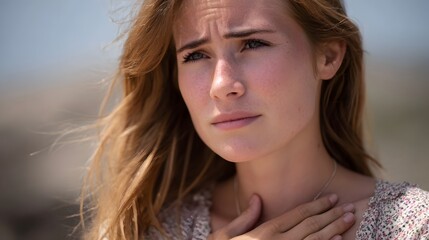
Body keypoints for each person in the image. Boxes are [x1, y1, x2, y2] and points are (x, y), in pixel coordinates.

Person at [81, 0, 429, 239]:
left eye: (252, 44)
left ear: (328, 55)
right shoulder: (148, 230)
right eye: (196, 54)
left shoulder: (411, 226)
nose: (222, 85)